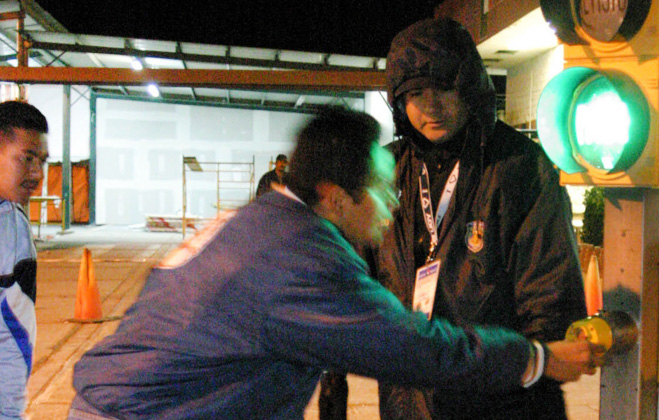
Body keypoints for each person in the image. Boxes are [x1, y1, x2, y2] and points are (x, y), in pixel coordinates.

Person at [67, 107, 600, 420]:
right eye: (380, 188)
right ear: (336, 197)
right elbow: (415, 349)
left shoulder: (258, 222)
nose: (393, 203)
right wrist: (535, 359)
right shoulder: (302, 261)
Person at [369, 18, 589, 419]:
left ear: (468, 87)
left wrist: (532, 365)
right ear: (399, 101)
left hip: (502, 404)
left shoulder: (519, 168)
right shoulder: (387, 172)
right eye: (416, 93)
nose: (430, 106)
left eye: (443, 88)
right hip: (408, 404)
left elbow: (551, 302)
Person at [0, 100, 49, 420]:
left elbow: (13, 331)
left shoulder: (13, 225)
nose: (37, 174)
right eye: (27, 159)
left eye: (42, 161)